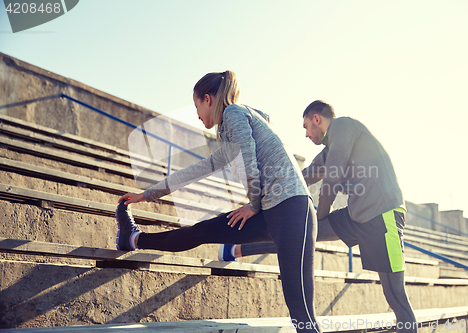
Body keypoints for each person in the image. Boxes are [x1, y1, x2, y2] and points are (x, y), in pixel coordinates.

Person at [115, 71, 322, 333]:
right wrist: (145, 195)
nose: (197, 114)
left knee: (301, 312)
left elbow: (250, 164)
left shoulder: (235, 114)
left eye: (196, 106)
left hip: (293, 211)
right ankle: (133, 239)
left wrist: (254, 206)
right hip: (271, 211)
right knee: (202, 231)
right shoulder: (227, 135)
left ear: (208, 99)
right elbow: (194, 171)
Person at [219, 100, 417, 333]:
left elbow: (331, 179)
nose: (305, 134)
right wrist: (267, 197)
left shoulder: (344, 127)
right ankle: (236, 250)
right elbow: (304, 176)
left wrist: (319, 215)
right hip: (358, 215)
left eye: (305, 126)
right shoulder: (330, 150)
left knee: (395, 296)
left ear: (316, 119)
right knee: (296, 234)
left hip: (383, 215)